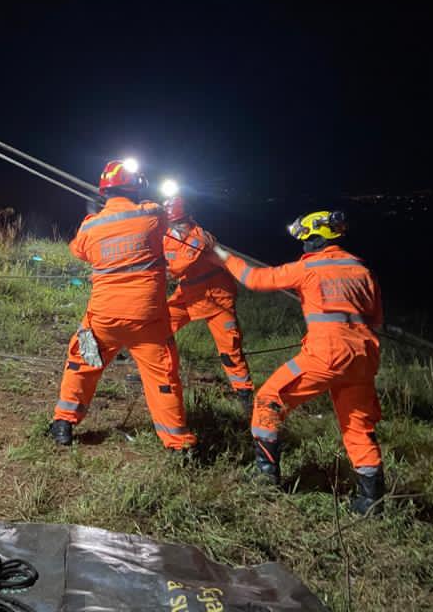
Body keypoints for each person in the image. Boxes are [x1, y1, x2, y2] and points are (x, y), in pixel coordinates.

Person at [212, 210, 386, 514]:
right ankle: (371, 501)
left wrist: (223, 256)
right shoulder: (362, 270)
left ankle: (266, 477)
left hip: (327, 354)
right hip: (364, 357)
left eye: (304, 238)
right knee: (358, 426)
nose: (302, 245)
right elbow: (376, 320)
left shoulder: (309, 268)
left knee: (268, 400)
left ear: (314, 238)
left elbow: (254, 279)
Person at [49, 160, 197, 452]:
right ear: (135, 187)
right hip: (148, 322)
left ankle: (63, 423)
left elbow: (79, 250)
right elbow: (165, 219)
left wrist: (95, 216)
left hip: (103, 320)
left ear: (104, 191)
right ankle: (179, 444)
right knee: (162, 379)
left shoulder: (92, 226)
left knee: (82, 363)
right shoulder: (152, 214)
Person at [162, 195, 254, 413]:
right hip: (188, 294)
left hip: (216, 297)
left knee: (229, 349)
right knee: (159, 327)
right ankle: (160, 371)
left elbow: (173, 271)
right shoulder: (167, 235)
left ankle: (245, 395)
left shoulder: (198, 239)